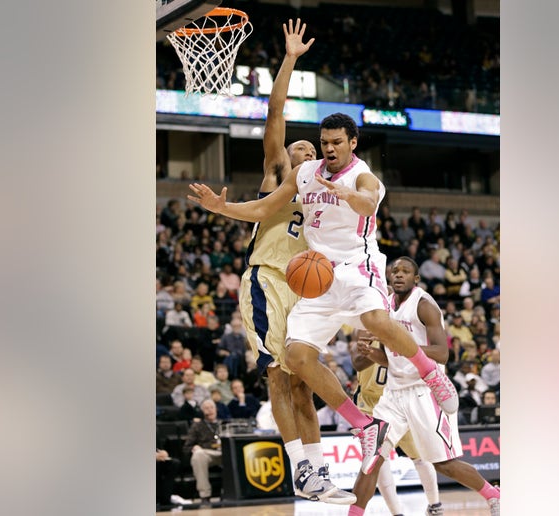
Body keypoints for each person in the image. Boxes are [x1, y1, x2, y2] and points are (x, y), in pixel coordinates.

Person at [188, 107, 460, 476]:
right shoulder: (304, 173)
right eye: (324, 142)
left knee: (375, 320)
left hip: (356, 266)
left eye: (336, 142)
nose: (329, 148)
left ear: (352, 143)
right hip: (319, 276)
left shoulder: (365, 176)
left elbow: (367, 201)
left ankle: (431, 372)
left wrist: (346, 196)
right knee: (297, 357)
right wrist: (223, 208)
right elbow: (265, 207)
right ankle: (364, 426)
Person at [221, 20, 353, 504]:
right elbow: (275, 111)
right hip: (266, 279)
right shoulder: (281, 172)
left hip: (304, 288)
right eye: (300, 147)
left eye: (311, 149)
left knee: (302, 377)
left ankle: (318, 475)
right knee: (278, 373)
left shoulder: (321, 191)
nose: (306, 151)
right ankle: (301, 470)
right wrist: (291, 58)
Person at [347, 257, 500, 516]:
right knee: (371, 460)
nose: (398, 275)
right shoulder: (385, 307)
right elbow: (392, 360)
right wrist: (372, 354)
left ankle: (493, 495)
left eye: (405, 271)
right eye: (394, 271)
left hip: (425, 391)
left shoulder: (424, 305)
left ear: (416, 279)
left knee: (444, 465)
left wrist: (399, 344)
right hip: (393, 395)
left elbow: (442, 353)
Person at [350, 325, 442, 516]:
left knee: (419, 457)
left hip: (397, 399)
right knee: (378, 461)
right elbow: (358, 363)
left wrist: (389, 344)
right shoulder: (365, 330)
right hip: (371, 404)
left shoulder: (400, 331)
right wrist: (378, 348)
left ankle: (435, 505)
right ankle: (398, 513)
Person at [183, 399, 223, 507]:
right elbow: (186, 447)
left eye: (211, 408)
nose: (209, 411)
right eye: (206, 408)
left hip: (226, 452)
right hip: (208, 453)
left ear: (216, 409)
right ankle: (205, 496)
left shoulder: (225, 423)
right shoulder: (197, 426)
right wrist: (194, 447)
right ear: (202, 411)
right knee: (198, 455)